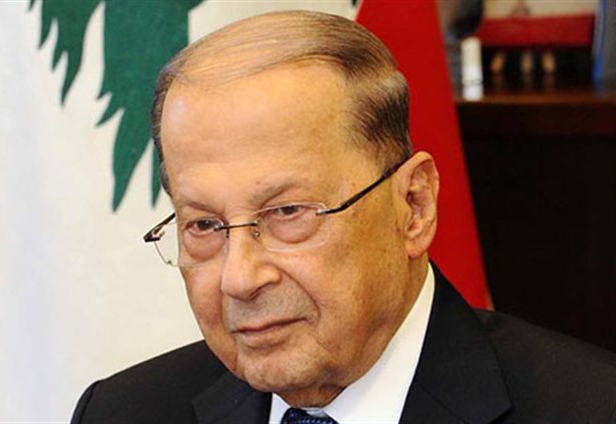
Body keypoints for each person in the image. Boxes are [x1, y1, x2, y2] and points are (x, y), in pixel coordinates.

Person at [72, 10, 616, 424]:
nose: (239, 278)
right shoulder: (123, 413)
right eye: (205, 226)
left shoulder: (589, 408)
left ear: (414, 206)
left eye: (287, 212)